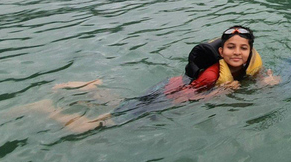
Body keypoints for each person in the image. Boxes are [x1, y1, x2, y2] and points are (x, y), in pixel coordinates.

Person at [21, 25, 277, 133]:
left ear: (250, 51)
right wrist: (218, 94)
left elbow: (255, 74)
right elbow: (185, 99)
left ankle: (91, 88)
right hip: (170, 93)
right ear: (221, 52)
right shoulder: (212, 75)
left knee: (123, 103)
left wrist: (265, 81)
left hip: (174, 88)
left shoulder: (249, 64)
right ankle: (47, 109)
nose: (237, 53)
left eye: (243, 48)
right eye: (231, 47)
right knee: (93, 127)